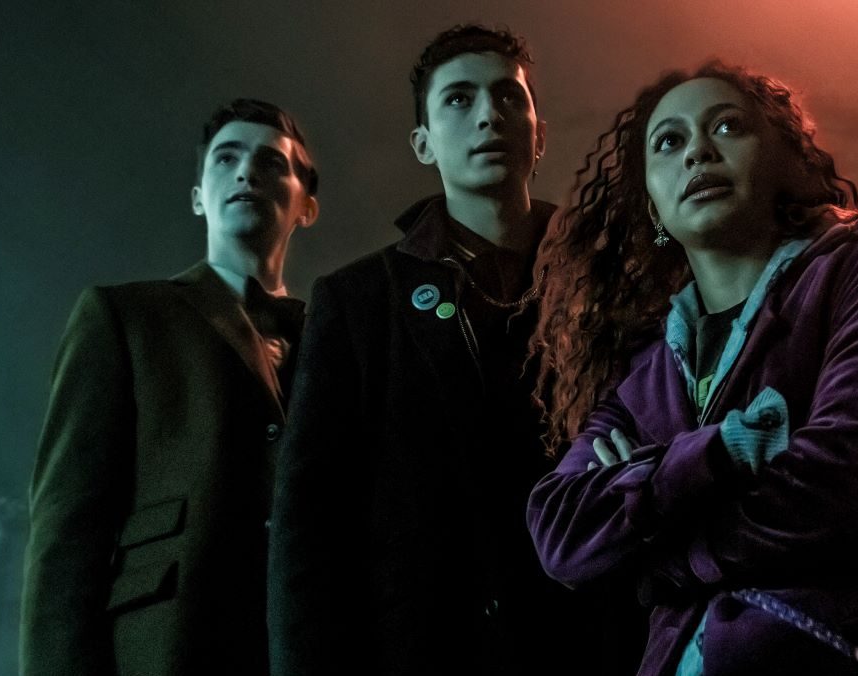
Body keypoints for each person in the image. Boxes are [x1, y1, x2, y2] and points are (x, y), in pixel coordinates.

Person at [527, 61, 858, 676]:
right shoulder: (646, 364)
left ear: (784, 160)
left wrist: (652, 543)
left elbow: (847, 497)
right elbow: (559, 531)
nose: (697, 151)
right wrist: (724, 451)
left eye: (727, 127)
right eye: (668, 141)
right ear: (652, 205)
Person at [267, 24, 645, 676]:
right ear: (423, 143)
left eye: (508, 97)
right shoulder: (360, 301)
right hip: (431, 646)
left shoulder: (614, 280)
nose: (488, 116)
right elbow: (311, 524)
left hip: (600, 638)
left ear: (539, 133)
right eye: (459, 100)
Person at [21, 99, 320, 676]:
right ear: (197, 196)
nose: (246, 171)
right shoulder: (123, 317)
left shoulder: (338, 336)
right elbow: (67, 531)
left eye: (271, 162)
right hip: (170, 646)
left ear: (307, 205)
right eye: (226, 158)